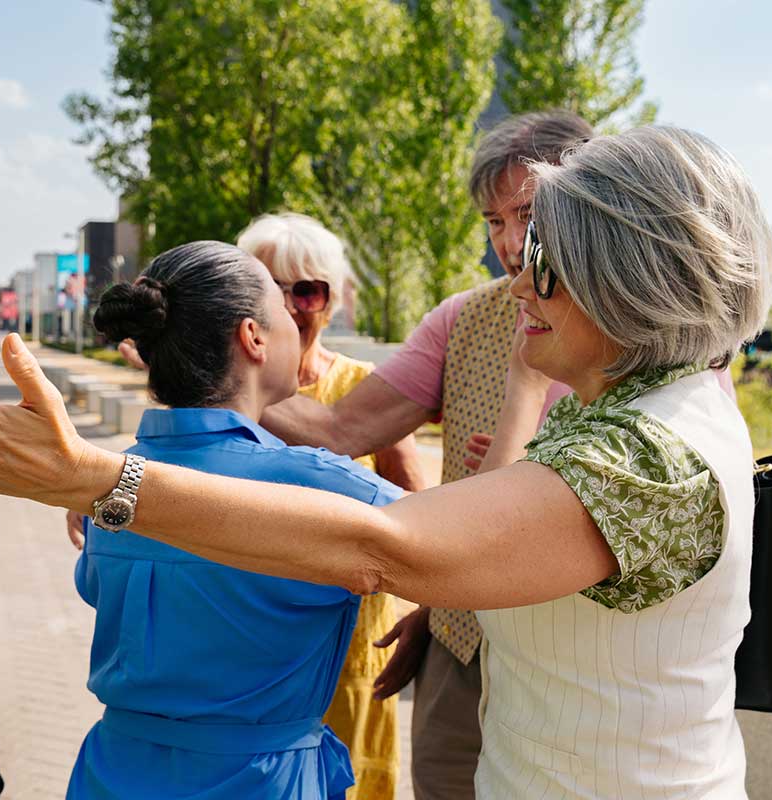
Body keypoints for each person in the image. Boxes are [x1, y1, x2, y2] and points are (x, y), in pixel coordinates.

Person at [0, 125, 772, 799]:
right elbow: (452, 544)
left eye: (544, 256)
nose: (516, 276)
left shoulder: (652, 455)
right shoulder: (633, 414)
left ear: (631, 280)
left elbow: (392, 547)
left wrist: (96, 479)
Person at [260, 111, 591, 799]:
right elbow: (341, 431)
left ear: (589, 206)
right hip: (461, 647)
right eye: (492, 221)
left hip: (583, 652)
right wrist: (200, 379)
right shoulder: (461, 319)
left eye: (526, 214)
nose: (509, 242)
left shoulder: (652, 334)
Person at [76, 241, 406, 797]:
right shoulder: (321, 483)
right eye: (282, 308)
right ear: (253, 337)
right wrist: (524, 385)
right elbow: (466, 544)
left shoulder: (113, 483)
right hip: (259, 782)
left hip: (113, 772)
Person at [236, 211, 423, 799]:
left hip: (349, 651)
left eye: (308, 290)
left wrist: (432, 615)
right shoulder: (221, 390)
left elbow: (421, 514)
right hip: (247, 646)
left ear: (333, 300)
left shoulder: (367, 391)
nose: (290, 307)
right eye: (270, 289)